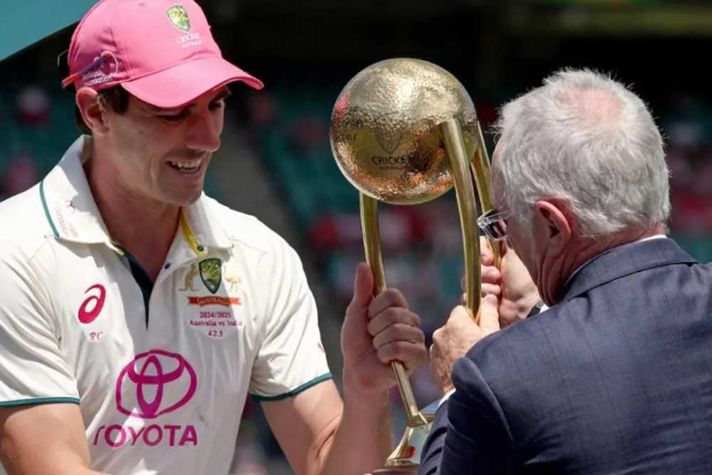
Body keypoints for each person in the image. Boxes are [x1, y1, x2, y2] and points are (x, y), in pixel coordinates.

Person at [0, 1, 427, 474]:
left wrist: (366, 396)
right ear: (95, 111)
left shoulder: (260, 256)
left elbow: (327, 462)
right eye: (173, 112)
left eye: (216, 104)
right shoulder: (15, 251)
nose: (207, 138)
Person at [420, 68, 712, 474]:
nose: (506, 241)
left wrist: (456, 387)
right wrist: (540, 316)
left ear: (554, 224)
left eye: (503, 221)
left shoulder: (499, 376)